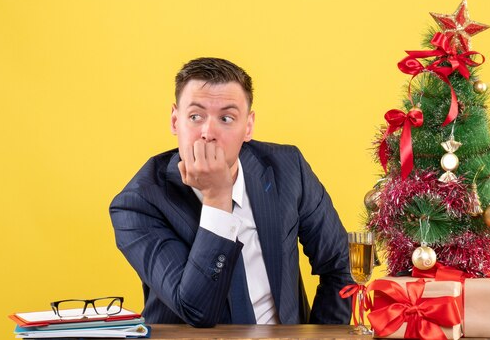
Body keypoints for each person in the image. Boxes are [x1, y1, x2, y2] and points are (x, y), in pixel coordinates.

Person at [110, 57, 352, 327]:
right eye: (195, 117)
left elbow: (341, 265)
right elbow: (195, 310)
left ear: (247, 126)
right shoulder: (138, 203)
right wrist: (217, 200)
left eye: (226, 118)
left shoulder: (287, 168)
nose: (207, 133)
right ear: (175, 121)